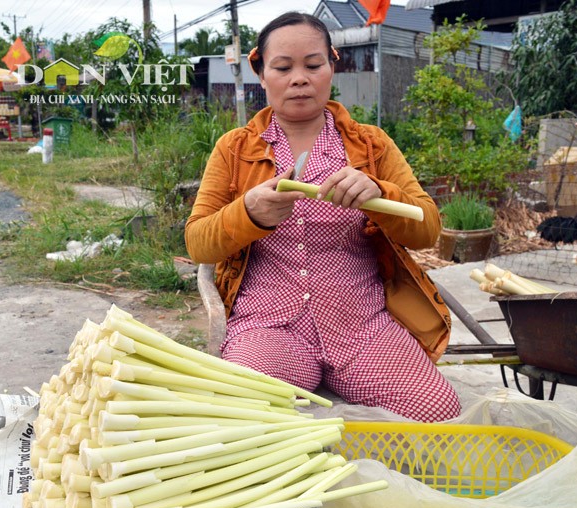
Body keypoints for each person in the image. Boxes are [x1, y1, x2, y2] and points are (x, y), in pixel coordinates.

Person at [184, 11, 461, 422]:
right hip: (268, 328)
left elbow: (427, 228)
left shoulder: (371, 145)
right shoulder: (235, 149)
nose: (299, 78)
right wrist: (248, 213)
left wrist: (379, 194)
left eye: (313, 65)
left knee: (436, 410)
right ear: (262, 74)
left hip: (362, 328)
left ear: (333, 65)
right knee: (236, 414)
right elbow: (198, 241)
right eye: (283, 67)